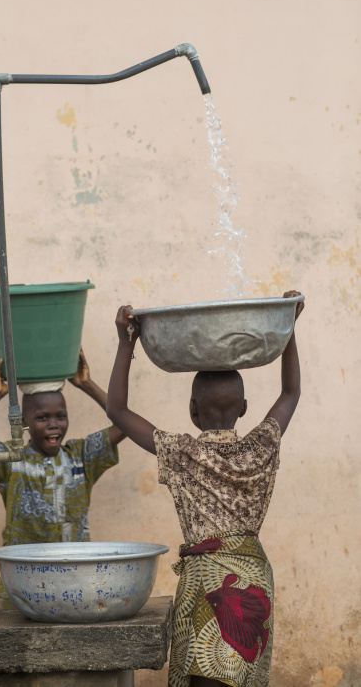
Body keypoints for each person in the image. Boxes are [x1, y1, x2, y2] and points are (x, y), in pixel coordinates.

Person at [106, 291, 304, 687]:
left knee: (205, 675)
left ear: (193, 410)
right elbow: (290, 393)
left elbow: (118, 411)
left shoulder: (182, 453)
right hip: (253, 582)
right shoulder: (261, 447)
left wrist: (125, 344)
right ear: (244, 408)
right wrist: (289, 328)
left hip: (209, 583)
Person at [0, 349, 124, 603]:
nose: (54, 425)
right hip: (20, 589)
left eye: (60, 416)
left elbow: (124, 424)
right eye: (42, 418)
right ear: (22, 423)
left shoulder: (81, 457)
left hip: (75, 587)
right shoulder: (10, 458)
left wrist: (86, 384)